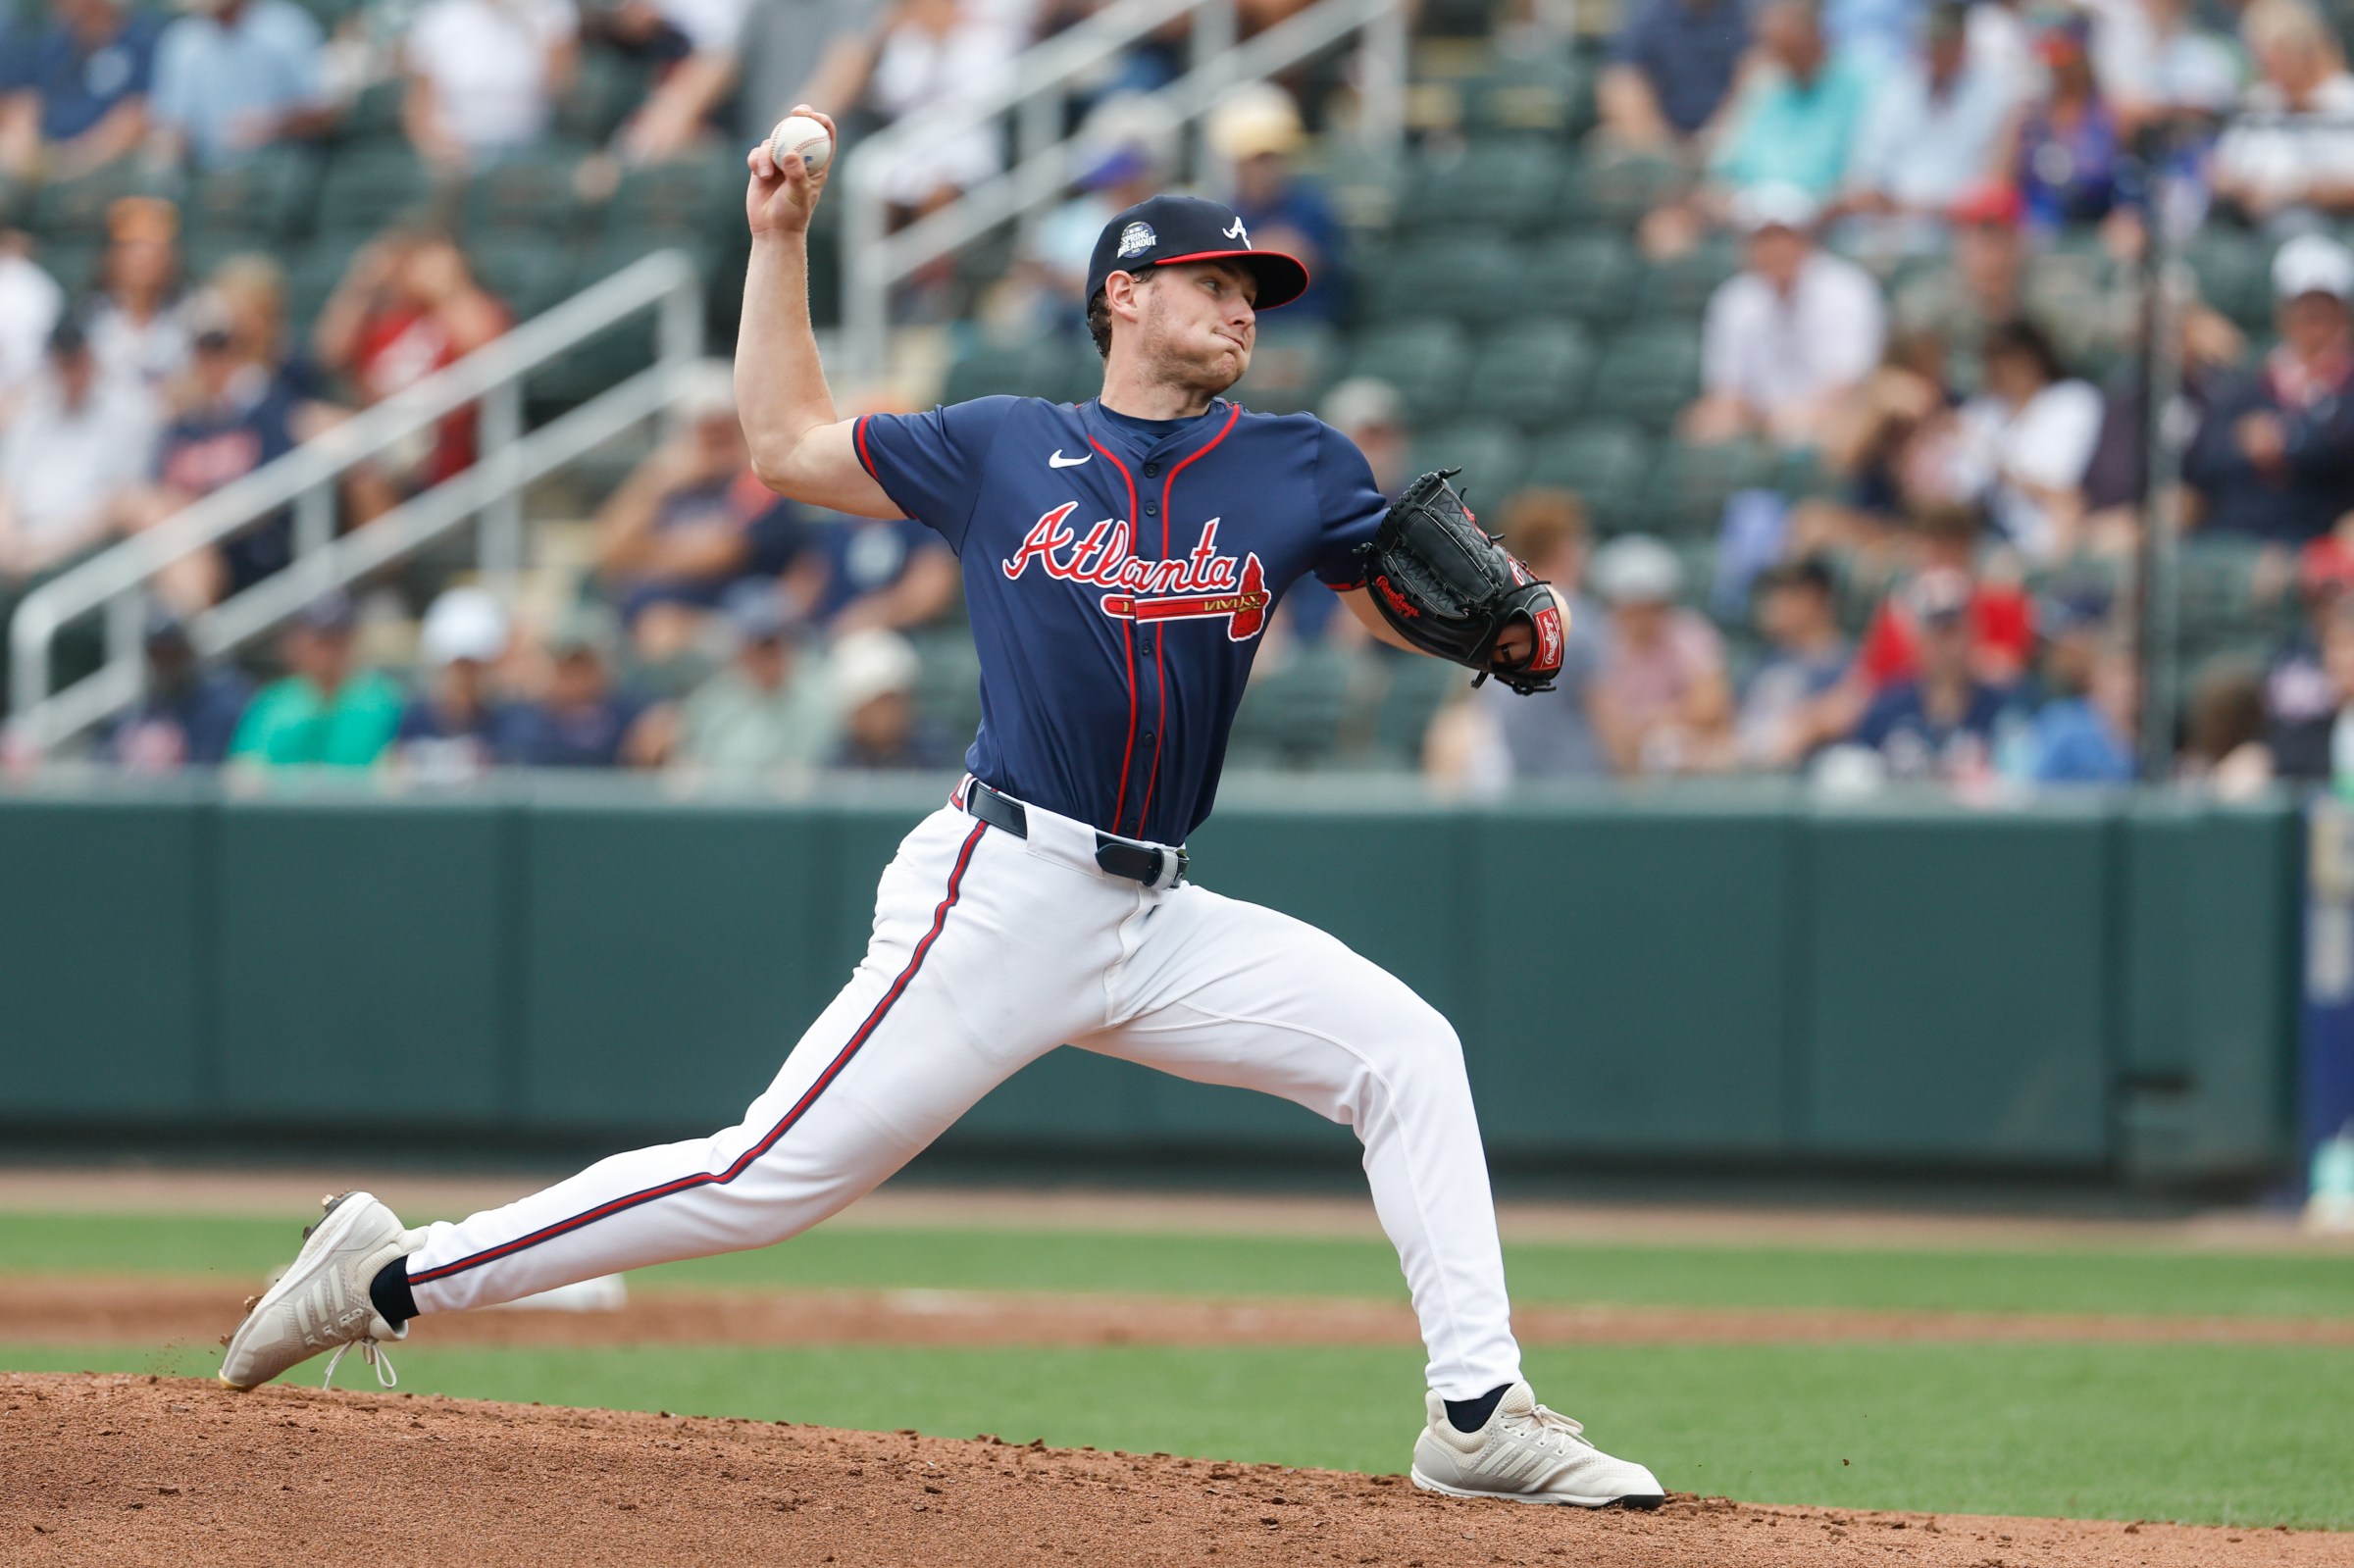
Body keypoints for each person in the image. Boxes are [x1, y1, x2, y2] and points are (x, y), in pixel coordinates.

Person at [218, 110, 1667, 1513]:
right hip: (1001, 888)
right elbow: (785, 442)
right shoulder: (1000, 445)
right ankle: (394, 1271)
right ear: (1122, 296)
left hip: (1158, 910)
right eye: (1214, 282)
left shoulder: (1297, 466)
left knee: (1406, 1049)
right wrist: (778, 240)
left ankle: (1477, 1411)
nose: (1243, 307)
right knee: (764, 1172)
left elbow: (1411, 584)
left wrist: (1515, 625)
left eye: (1255, 289)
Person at [595, 372, 806, 661]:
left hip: (736, 612)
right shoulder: (670, 482)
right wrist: (656, 481)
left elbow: (720, 555)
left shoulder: (759, 480)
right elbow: (610, 553)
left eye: (723, 427)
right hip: (665, 609)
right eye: (705, 428)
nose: (715, 438)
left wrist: (644, 559)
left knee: (664, 630)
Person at [1422, 488, 1608, 788]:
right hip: (1576, 795)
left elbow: (1470, 698)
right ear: (1565, 547)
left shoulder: (1492, 616)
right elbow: (1606, 714)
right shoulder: (1577, 620)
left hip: (1513, 793)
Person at [313, 229, 509, 505]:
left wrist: (446, 292)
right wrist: (361, 285)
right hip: (384, 436)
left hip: (442, 449)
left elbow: (493, 357)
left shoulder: (471, 309)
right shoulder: (386, 321)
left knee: (366, 470)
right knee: (316, 424)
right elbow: (328, 354)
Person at [2182, 233, 2354, 546]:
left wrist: (2288, 440)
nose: (2312, 323)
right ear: (2283, 315)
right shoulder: (2249, 387)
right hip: (2231, 537)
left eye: (2323, 312)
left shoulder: (2346, 389)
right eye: (2303, 311)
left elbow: (2338, 448)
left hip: (2309, 544)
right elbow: (2203, 460)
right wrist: (2244, 442)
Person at [1686, 182, 1885, 450]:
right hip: (1760, 422)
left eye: (1783, 237)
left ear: (1805, 239)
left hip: (1831, 417)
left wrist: (1798, 417)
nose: (1774, 249)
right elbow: (1726, 389)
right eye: (1763, 240)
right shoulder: (1734, 299)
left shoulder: (1848, 290)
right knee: (1705, 424)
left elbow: (1850, 382)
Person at [1842, 2, 2014, 258]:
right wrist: (1877, 198)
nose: (1935, 51)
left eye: (1944, 43)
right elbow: (1865, 171)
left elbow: (1994, 186)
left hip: (1960, 237)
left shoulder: (1994, 95)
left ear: (1962, 43)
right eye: (1930, 43)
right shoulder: (1898, 90)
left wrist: (1924, 209)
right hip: (1890, 233)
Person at [0, 319, 154, 586]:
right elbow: (7, 492)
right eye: (62, 364)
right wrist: (12, 548)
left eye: (76, 362)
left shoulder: (130, 411)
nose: (70, 375)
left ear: (91, 358)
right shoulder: (32, 414)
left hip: (82, 547)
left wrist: (43, 551)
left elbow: (120, 502)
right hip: (21, 545)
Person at [1948, 320, 2104, 564]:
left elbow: (2059, 488)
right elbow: (1959, 486)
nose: (2002, 369)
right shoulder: (1982, 411)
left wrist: (1996, 465)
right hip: (1984, 533)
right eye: (1995, 359)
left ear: (2034, 358)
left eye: (2011, 358)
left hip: (2042, 536)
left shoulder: (2070, 401)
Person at [1588, 532, 1731, 774]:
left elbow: (1710, 706)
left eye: (1651, 606)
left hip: (1686, 752)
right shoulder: (1600, 640)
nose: (1642, 618)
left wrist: (1654, 719)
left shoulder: (1690, 633)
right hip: (1617, 757)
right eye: (1632, 607)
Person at [1705, 0, 1873, 203]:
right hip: (1753, 208)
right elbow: (1723, 161)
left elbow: (1862, 175)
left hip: (1826, 212)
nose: (1780, 56)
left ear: (1816, 35)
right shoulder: (1766, 83)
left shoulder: (1861, 84)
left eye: (1789, 45)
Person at [1847, 568, 2008, 779]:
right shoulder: (1885, 711)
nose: (1945, 644)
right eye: (1934, 630)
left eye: (1953, 629)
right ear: (1916, 636)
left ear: (1972, 630)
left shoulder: (2002, 708)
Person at [1208, 84, 1346, 328]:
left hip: (1304, 329)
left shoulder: (1312, 206)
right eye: (1256, 159)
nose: (1265, 169)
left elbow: (1295, 266)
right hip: (1243, 329)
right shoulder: (1222, 213)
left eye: (1271, 157)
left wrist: (1243, 260)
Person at [2211, 0, 2354, 229]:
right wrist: (2244, 189)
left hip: (2336, 229)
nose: (2271, 64)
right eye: (2263, 56)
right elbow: (2220, 175)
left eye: (2280, 53)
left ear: (2303, 49)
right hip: (2258, 234)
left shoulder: (2345, 98)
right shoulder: (2257, 101)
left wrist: (2295, 191)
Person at [225, 591, 406, 770]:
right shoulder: (273, 704)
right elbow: (243, 773)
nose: (328, 653)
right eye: (320, 641)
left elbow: (396, 771)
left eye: (336, 640)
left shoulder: (382, 702)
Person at [675, 585, 835, 781]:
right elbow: (691, 760)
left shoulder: (820, 697)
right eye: (757, 645)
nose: (767, 656)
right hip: (719, 805)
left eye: (773, 644)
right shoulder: (713, 700)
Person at [147, 0, 330, 170]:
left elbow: (323, 112)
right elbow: (171, 121)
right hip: (206, 173)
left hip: (277, 166)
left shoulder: (286, 27)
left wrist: (275, 125)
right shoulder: (181, 40)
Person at [401, 0, 579, 170]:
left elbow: (561, 87)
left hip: (530, 149)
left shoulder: (545, 9)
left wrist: (534, 20)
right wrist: (440, 149)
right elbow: (419, 105)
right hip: (459, 151)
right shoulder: (441, 16)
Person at [0, 0, 161, 180]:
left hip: (106, 168)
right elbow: (25, 100)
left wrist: (70, 162)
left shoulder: (140, 44)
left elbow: (135, 117)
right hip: (45, 159)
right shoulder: (55, 44)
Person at [492, 604, 669, 768]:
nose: (574, 679)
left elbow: (664, 716)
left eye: (583, 666)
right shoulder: (522, 719)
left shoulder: (626, 712)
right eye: (566, 667)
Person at [1735, 556, 1852, 769]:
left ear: (1818, 599)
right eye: (1772, 594)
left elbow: (1841, 716)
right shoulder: (1763, 662)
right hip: (1747, 777)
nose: (1773, 603)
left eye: (1789, 594)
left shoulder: (1848, 664)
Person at [2009, 17, 2123, 231]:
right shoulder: (2032, 120)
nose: (2057, 69)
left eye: (2064, 58)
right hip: (2038, 233)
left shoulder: (2107, 115)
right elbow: (2005, 182)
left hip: (2092, 230)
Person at [393, 584, 512, 783]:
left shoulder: (506, 725)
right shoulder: (413, 721)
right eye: (458, 666)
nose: (465, 676)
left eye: (472, 666)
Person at [107, 612, 251, 771]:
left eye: (172, 653)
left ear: (187, 650)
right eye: (157, 654)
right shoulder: (141, 709)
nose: (165, 662)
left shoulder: (223, 703)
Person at [83, 196, 189, 410]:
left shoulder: (191, 315)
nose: (142, 258)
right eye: (131, 247)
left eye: (152, 248)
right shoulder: (87, 316)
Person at [1598, 0, 1751, 148]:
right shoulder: (1647, 13)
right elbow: (1621, 82)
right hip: (1660, 140)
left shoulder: (1748, 12)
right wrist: (1664, 144)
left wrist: (1718, 140)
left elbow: (1757, 78)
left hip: (1731, 140)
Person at [827, 625, 951, 768]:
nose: (886, 714)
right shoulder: (838, 760)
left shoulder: (935, 747)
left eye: (892, 701)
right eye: (876, 704)